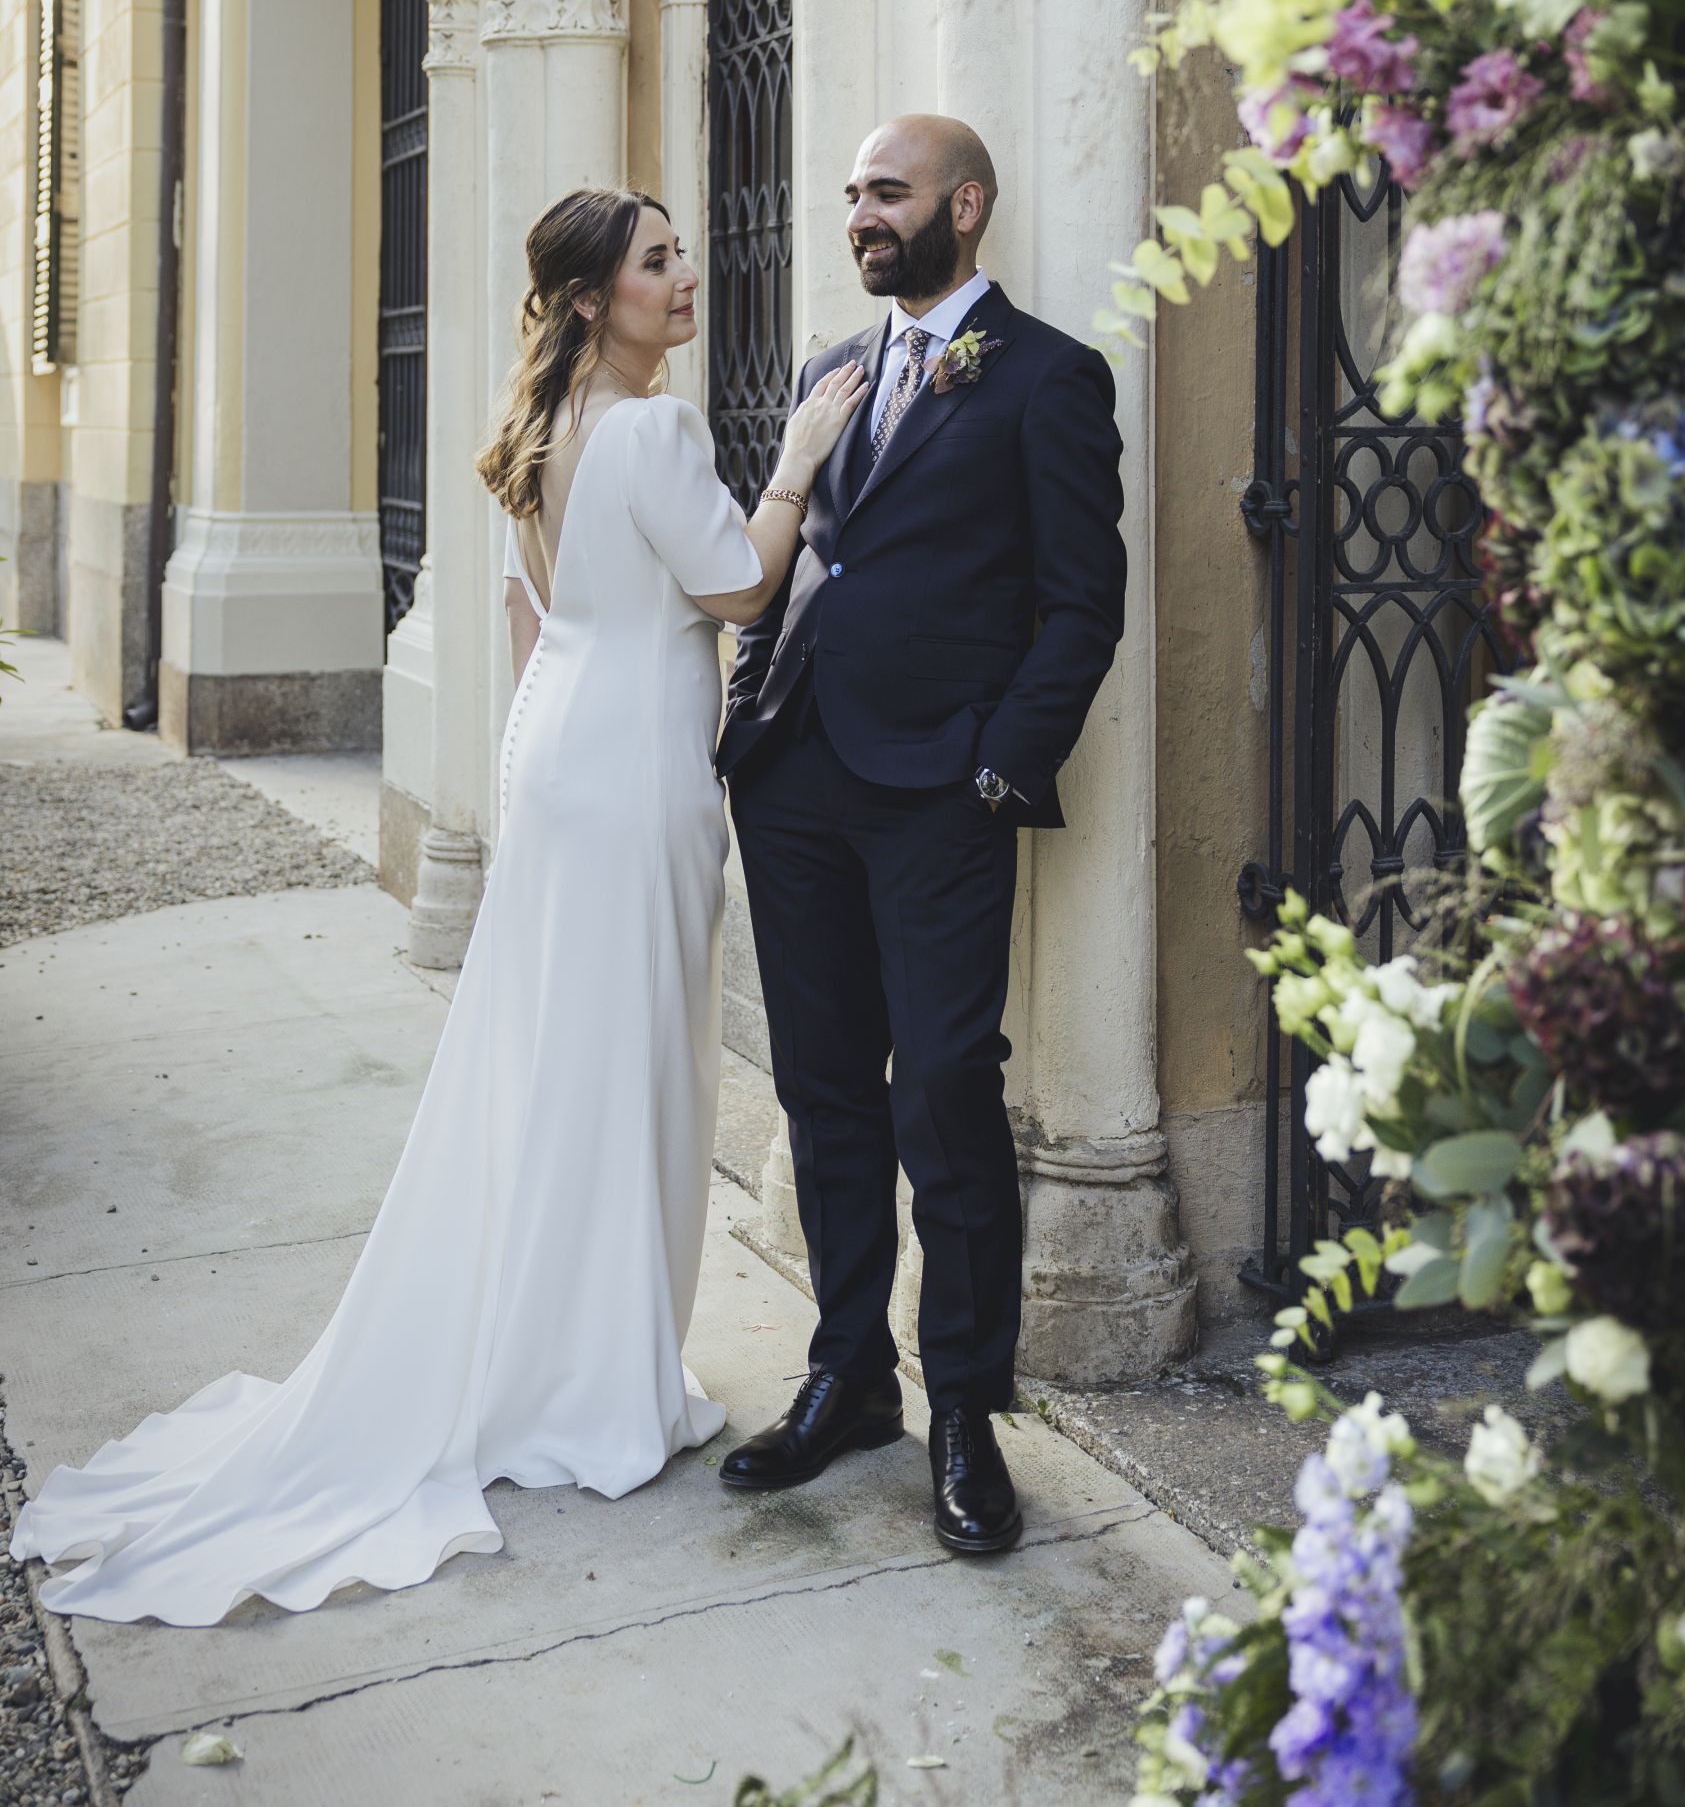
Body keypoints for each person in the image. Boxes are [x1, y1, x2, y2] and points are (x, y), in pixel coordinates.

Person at [8, 188, 866, 1625]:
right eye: (658, 263)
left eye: (677, 258)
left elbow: (541, 619)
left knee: (562, 1063)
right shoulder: (649, 428)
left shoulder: (545, 432)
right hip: (632, 767)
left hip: (563, 747)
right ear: (593, 297)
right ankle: (600, 1384)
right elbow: (734, 586)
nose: (686, 279)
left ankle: (574, 1352)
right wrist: (796, 468)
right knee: (632, 1065)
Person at [716, 115, 1127, 1557]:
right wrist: (751, 714)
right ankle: (848, 1377)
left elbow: (1083, 600)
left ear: (967, 205)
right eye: (848, 197)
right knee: (823, 1088)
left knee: (945, 1088)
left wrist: (1001, 773)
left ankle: (964, 1402)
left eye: (885, 194)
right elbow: (800, 557)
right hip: (795, 780)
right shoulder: (836, 370)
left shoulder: (1050, 379)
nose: (858, 217)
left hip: (940, 791)